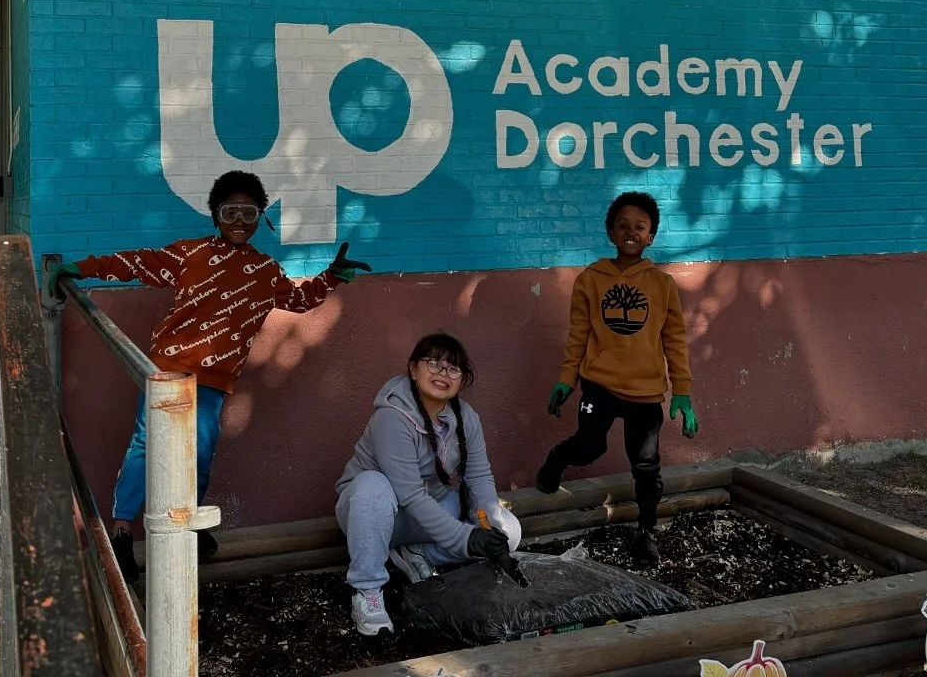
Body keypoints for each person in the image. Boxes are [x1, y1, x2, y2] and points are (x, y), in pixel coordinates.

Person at [47, 169, 370, 581]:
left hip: (215, 382)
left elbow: (300, 300)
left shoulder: (265, 271)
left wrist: (332, 277)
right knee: (147, 446)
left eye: (248, 214)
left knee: (199, 454)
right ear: (215, 215)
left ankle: (192, 530)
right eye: (230, 212)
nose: (239, 222)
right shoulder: (189, 254)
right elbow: (136, 263)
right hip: (167, 370)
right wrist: (82, 267)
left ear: (260, 220)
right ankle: (123, 533)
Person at [534, 191, 696, 567]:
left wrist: (682, 393)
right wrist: (565, 380)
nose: (631, 232)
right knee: (589, 448)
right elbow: (578, 335)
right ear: (610, 232)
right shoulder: (591, 279)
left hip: (645, 391)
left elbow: (675, 341)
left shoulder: (662, 284)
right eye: (622, 225)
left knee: (645, 465)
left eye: (640, 227)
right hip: (600, 384)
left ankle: (646, 533)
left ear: (651, 236)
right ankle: (557, 458)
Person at [334, 332, 521, 637]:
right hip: (375, 515)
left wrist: (487, 528)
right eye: (433, 363)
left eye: (453, 368)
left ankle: (418, 553)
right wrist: (466, 539)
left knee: (509, 532)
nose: (443, 374)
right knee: (372, 486)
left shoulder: (467, 418)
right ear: (413, 369)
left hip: (428, 514)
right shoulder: (392, 418)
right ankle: (368, 591)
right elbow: (408, 494)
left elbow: (479, 478)